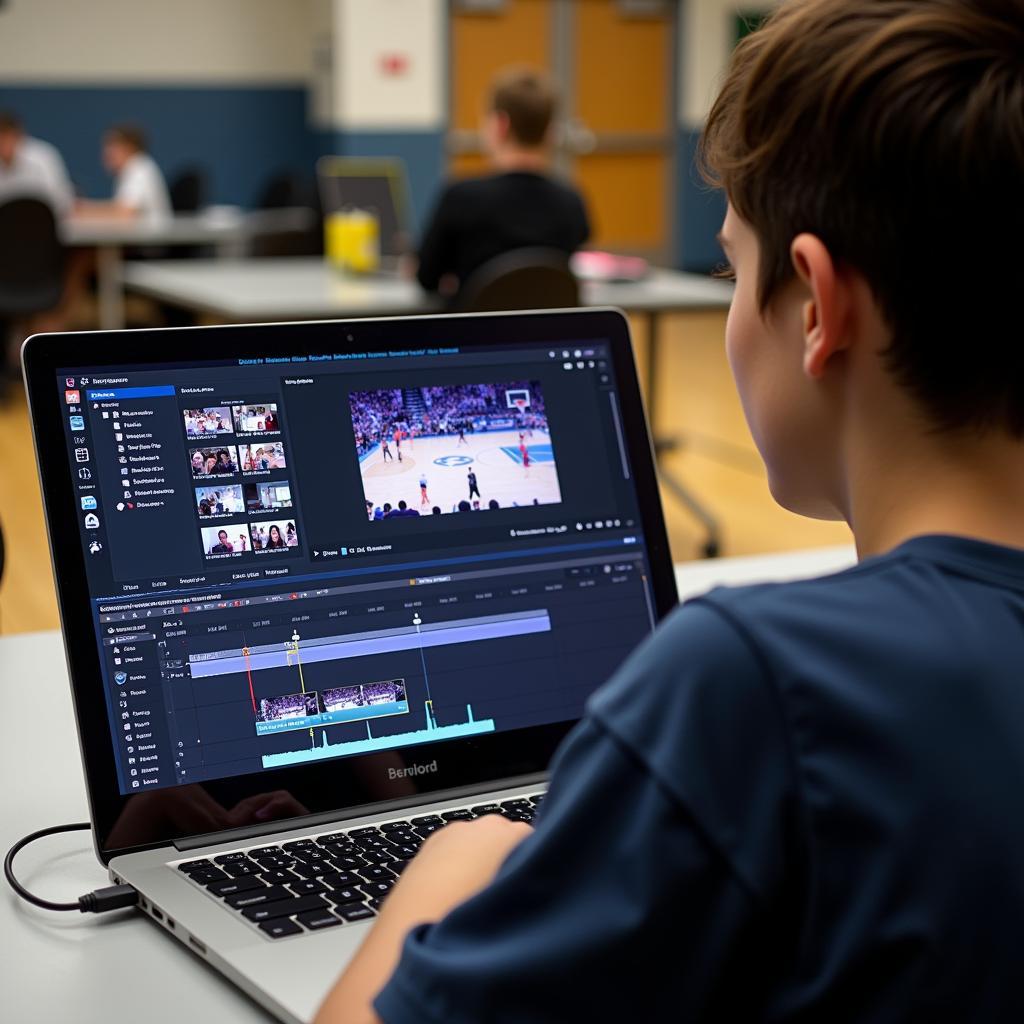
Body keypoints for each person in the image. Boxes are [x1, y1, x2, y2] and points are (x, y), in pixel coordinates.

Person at [314, 2, 1024, 1021]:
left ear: (816, 306)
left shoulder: (758, 687)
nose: (731, 300)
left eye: (733, 266)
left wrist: (446, 862)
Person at [416, 67, 590, 303]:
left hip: (474, 337)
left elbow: (427, 278)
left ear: (500, 125)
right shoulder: (571, 201)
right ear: (549, 132)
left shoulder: (461, 197)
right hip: (546, 338)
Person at [75, 123, 170, 223]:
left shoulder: (139, 168)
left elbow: (123, 215)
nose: (106, 153)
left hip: (154, 238)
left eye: (112, 146)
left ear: (129, 147)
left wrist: (81, 210)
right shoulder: (133, 169)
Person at [0, 110, 73, 216]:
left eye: (6, 136)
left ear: (18, 135)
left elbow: (62, 200)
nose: (3, 143)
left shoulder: (43, 156)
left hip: (41, 225)